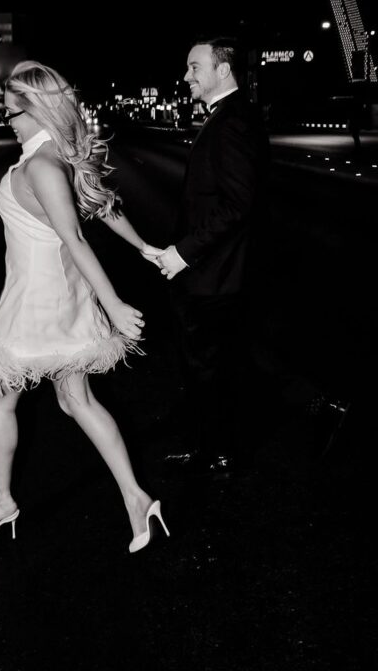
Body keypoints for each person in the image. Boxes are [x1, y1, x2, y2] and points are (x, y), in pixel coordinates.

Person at [0, 61, 169, 553]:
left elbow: (76, 236)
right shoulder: (58, 156)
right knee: (75, 400)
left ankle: (0, 504)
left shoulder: (40, 165)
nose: (8, 119)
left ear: (37, 110)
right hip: (63, 296)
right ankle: (136, 499)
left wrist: (117, 305)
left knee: (1, 399)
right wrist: (144, 247)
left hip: (35, 300)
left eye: (13, 111)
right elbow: (102, 205)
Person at [155, 36, 348, 476]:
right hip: (222, 269)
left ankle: (219, 453)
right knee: (235, 356)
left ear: (223, 70)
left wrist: (184, 253)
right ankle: (226, 442)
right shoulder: (229, 117)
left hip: (218, 272)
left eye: (194, 67)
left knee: (209, 362)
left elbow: (238, 204)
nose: (187, 76)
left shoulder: (233, 122)